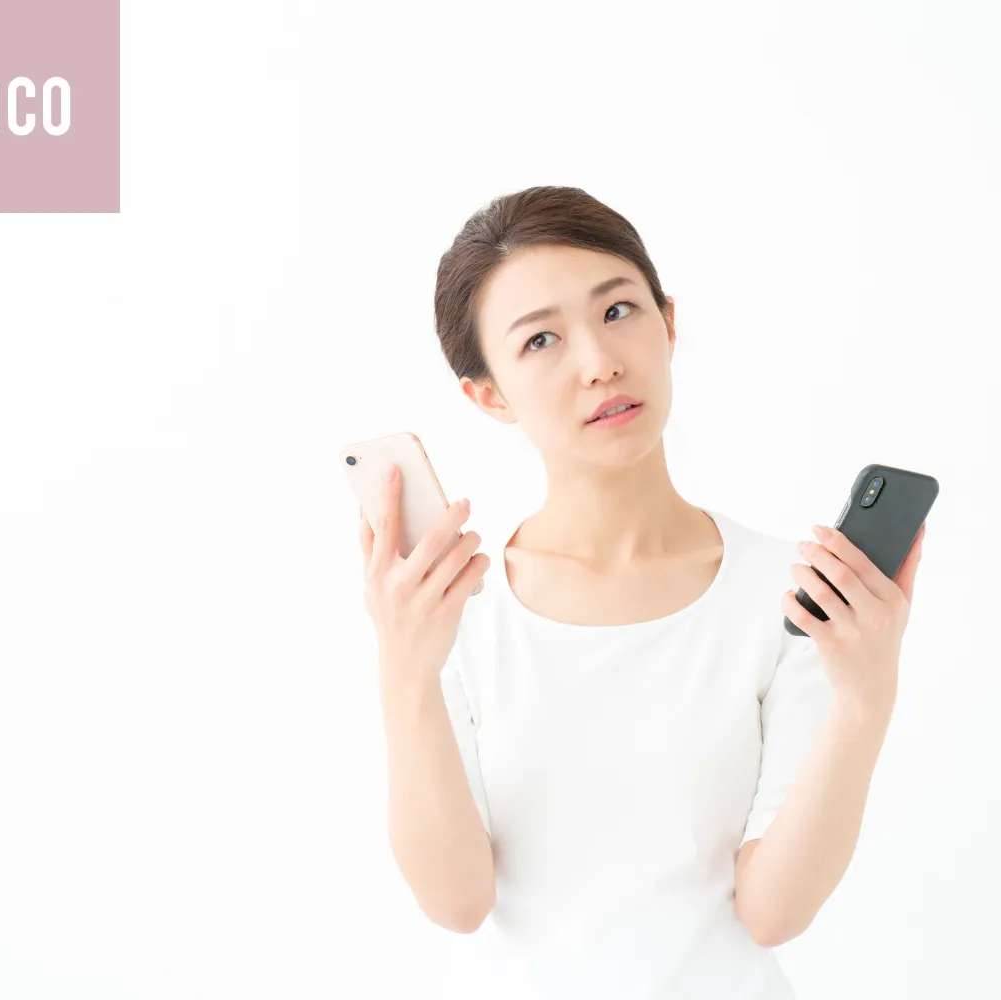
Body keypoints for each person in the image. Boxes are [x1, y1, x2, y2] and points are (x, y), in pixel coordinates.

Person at [355, 185, 926, 999]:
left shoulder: (789, 596)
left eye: (618, 311)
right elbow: (455, 901)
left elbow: (773, 912)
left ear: (667, 322)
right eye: (541, 339)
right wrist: (405, 675)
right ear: (488, 394)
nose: (599, 362)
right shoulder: (456, 610)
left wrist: (866, 701)